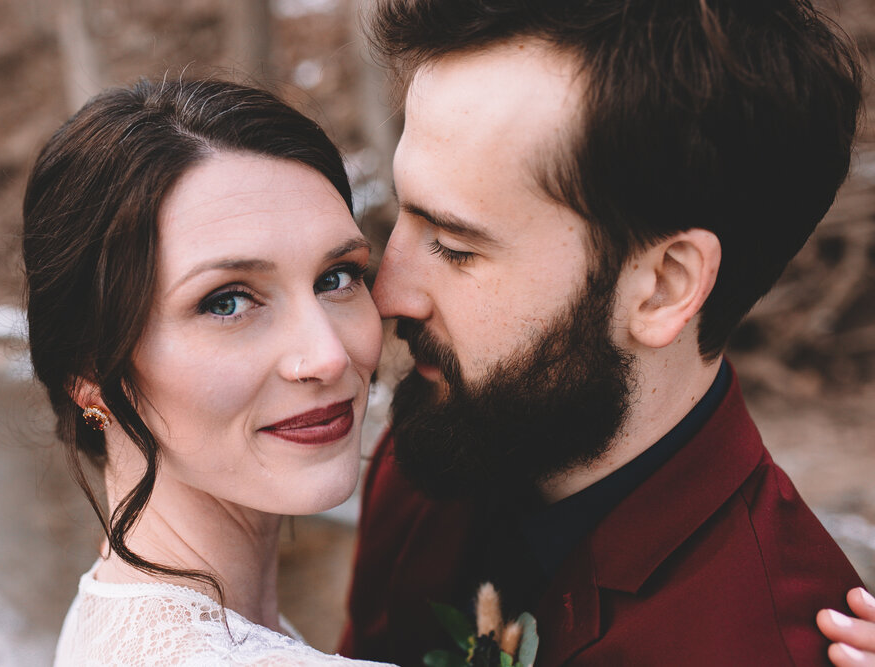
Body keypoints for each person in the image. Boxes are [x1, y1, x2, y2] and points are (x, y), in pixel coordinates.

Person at [340, 0, 874, 665]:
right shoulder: (437, 449)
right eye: (400, 216)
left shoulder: (757, 641)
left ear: (663, 285)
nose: (388, 293)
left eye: (454, 247)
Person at [22, 78, 389, 665]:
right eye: (227, 302)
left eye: (336, 277)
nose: (329, 356)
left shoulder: (117, 615)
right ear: (88, 370)